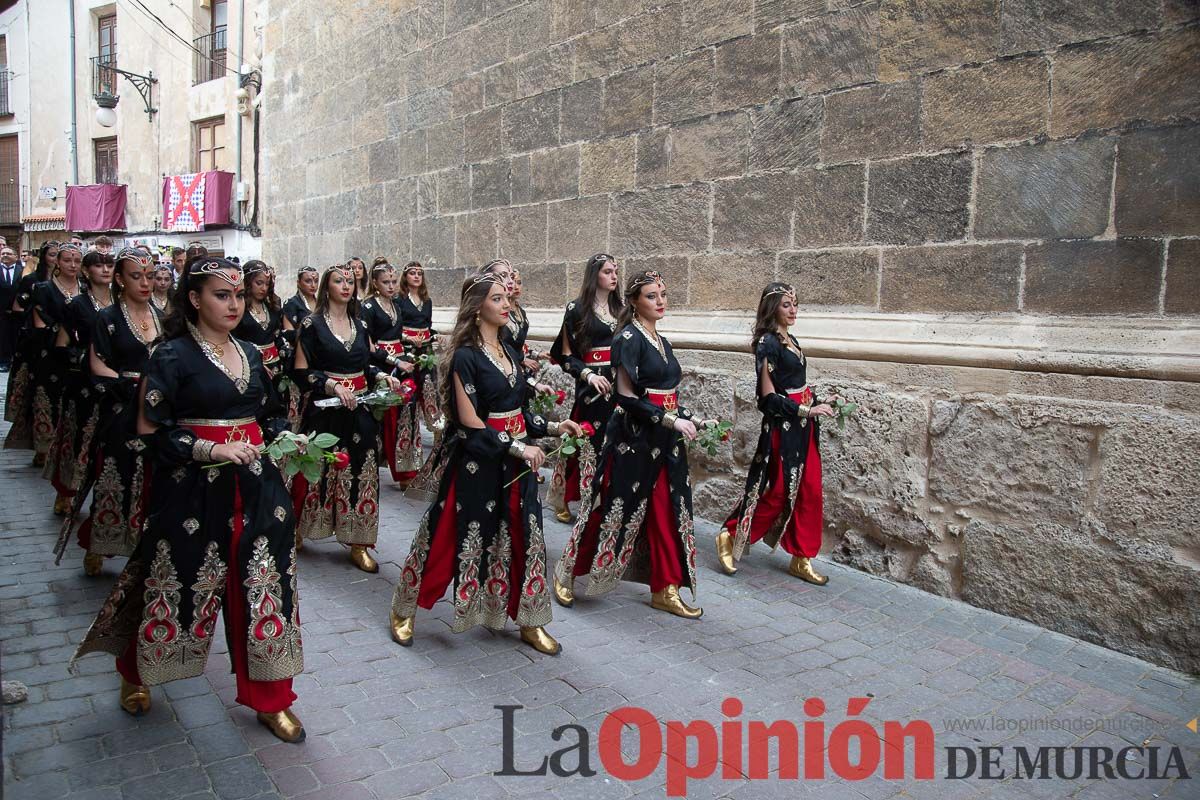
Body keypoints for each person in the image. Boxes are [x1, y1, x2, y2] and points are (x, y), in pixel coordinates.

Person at [73, 256, 307, 743]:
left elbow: (267, 417)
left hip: (257, 486)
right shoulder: (171, 356)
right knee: (174, 580)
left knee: (266, 585)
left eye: (239, 294)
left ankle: (271, 698)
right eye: (222, 295)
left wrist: (288, 437)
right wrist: (210, 447)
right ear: (194, 299)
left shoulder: (250, 352)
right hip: (194, 490)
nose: (234, 304)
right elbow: (149, 430)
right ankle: (136, 673)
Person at [389, 274, 580, 653]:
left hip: (516, 463)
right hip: (478, 463)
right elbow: (472, 423)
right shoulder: (466, 357)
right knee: (447, 538)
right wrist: (517, 448)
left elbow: (520, 411)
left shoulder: (508, 349)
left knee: (527, 539)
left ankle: (530, 618)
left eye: (506, 297)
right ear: (478, 308)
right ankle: (404, 608)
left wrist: (557, 427)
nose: (507, 303)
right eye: (497, 298)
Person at [553, 270, 706, 619]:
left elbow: (666, 396)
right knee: (612, 507)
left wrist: (695, 419)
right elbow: (626, 397)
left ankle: (666, 588)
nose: (661, 301)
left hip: (666, 443)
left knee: (670, 509)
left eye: (663, 294)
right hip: (634, 440)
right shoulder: (627, 338)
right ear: (635, 301)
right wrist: (672, 420)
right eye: (652, 296)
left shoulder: (662, 343)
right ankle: (567, 570)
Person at [716, 283, 839, 584]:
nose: (793, 310)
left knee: (810, 490)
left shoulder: (792, 340)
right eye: (786, 305)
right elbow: (767, 398)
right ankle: (730, 536)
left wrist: (819, 401)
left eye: (795, 304)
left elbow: (798, 386)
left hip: (804, 428)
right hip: (782, 428)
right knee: (778, 490)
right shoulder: (767, 344)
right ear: (773, 308)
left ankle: (802, 556)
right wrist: (804, 411)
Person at [291, 264, 407, 572]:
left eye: (350, 281)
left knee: (363, 470)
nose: (346, 285)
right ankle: (299, 529)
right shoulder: (312, 325)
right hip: (325, 410)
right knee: (315, 470)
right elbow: (301, 372)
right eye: (338, 281)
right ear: (326, 288)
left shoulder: (361, 325)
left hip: (359, 410)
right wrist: (331, 385)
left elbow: (365, 364)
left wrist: (382, 376)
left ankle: (359, 543)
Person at [66, 249, 163, 575]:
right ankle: (101, 544)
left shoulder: (163, 316)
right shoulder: (106, 318)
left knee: (156, 478)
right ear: (120, 279)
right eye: (137, 276)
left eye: (149, 276)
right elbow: (97, 364)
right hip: (121, 408)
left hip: (158, 410)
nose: (145, 283)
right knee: (115, 477)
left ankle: (148, 545)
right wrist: (131, 387)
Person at [546, 254, 621, 523]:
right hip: (591, 387)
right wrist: (588, 375)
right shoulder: (576, 309)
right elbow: (567, 356)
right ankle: (563, 494)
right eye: (608, 272)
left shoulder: (622, 309)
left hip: (618, 386)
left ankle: (604, 496)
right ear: (594, 276)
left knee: (614, 441)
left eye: (616, 272)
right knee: (583, 442)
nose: (614, 276)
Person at [43, 251, 114, 517]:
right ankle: (66, 491)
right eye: (99, 265)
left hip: (116, 384)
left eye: (109, 265)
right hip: (83, 382)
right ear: (87, 271)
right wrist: (85, 358)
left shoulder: (124, 304)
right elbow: (61, 345)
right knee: (78, 439)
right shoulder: (77, 305)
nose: (105, 270)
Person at [26, 243, 85, 466]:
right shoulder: (44, 289)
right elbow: (39, 322)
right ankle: (44, 447)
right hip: (49, 352)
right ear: (58, 262)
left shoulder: (85, 289)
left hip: (78, 353)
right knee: (48, 399)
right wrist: (61, 334)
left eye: (77, 261)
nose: (72, 265)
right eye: (67, 260)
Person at [360, 261, 419, 485]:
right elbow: (369, 346)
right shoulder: (368, 308)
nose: (391, 286)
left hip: (402, 365)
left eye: (394, 281)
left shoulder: (396, 305)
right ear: (375, 283)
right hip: (382, 368)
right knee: (385, 420)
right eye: (386, 282)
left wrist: (408, 353)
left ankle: (406, 470)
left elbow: (396, 334)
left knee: (406, 417)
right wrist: (395, 361)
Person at [3, 242, 59, 450]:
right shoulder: (32, 280)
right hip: (35, 340)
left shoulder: (78, 283)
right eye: (52, 255)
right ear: (45, 257)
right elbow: (18, 306)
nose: (55, 260)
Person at [396, 260, 442, 436]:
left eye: (419, 273)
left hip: (425, 351)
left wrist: (435, 335)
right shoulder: (399, 299)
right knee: (410, 387)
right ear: (405, 277)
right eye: (412, 273)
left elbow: (427, 326)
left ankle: (435, 426)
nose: (416, 276)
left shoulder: (426, 301)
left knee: (429, 386)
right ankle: (408, 427)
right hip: (407, 351)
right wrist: (408, 338)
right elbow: (394, 328)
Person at [233, 260, 286, 383]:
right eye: (259, 283)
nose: (264, 288)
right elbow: (235, 340)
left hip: (276, 367)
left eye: (267, 284)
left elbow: (277, 337)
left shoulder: (273, 308)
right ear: (247, 282)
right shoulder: (239, 309)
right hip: (250, 366)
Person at [0, 246, 20, 370]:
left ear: (15, 257)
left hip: (18, 312)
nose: (5, 255)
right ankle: (3, 361)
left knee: (16, 336)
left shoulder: (22, 271)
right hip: (1, 311)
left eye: (8, 253)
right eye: (3, 253)